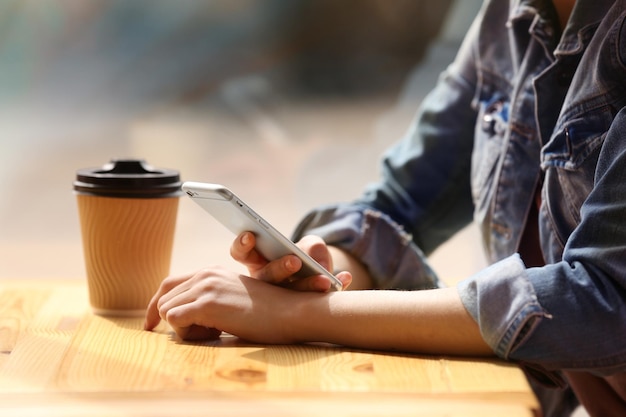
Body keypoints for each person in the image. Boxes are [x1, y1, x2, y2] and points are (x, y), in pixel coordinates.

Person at [144, 0, 626, 415]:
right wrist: (317, 269)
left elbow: (606, 299)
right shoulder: (507, 15)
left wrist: (298, 315)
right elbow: (401, 200)